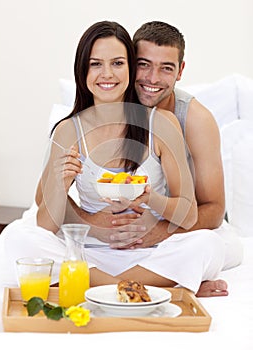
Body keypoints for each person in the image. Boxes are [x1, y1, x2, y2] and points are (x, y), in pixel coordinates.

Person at [3, 21, 227, 296]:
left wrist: (149, 200)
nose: (107, 74)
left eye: (118, 63)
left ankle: (96, 287)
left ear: (130, 69)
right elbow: (46, 223)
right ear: (82, 70)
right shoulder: (68, 130)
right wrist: (62, 186)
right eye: (96, 64)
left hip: (150, 251)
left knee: (207, 244)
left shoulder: (162, 123)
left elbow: (189, 212)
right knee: (19, 237)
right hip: (90, 252)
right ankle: (148, 286)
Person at [63, 21, 243, 297]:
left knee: (214, 246)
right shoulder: (102, 105)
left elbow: (214, 209)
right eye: (144, 64)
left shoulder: (195, 120)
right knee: (27, 235)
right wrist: (95, 224)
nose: (152, 78)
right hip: (113, 232)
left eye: (166, 68)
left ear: (180, 71)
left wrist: (159, 231)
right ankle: (168, 283)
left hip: (182, 228)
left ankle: (111, 285)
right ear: (131, 63)